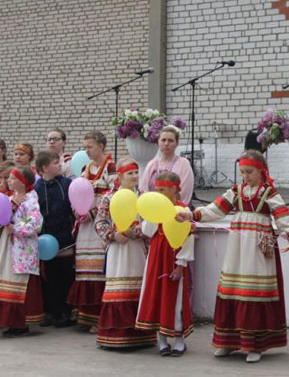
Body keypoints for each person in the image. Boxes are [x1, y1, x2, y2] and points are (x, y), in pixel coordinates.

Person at [178, 150, 289, 363]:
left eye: (249, 172)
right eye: (242, 172)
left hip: (258, 250)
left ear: (261, 171)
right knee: (233, 289)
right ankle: (228, 342)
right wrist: (191, 214)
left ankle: (255, 345)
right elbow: (215, 209)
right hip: (237, 249)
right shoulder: (236, 191)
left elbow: (282, 216)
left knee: (254, 291)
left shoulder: (269, 193)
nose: (245, 176)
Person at [0, 166, 44, 337]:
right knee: (5, 278)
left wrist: (16, 228)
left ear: (23, 182)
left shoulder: (30, 200)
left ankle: (20, 323)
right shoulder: (8, 198)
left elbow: (36, 223)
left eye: (13, 179)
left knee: (19, 283)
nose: (9, 181)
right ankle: (8, 320)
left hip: (22, 248)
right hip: (7, 246)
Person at [94, 158, 154, 349]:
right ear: (120, 176)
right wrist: (113, 235)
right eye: (130, 173)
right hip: (117, 249)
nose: (135, 176)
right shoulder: (108, 198)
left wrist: (135, 232)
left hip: (136, 249)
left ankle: (141, 335)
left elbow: (150, 222)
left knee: (137, 286)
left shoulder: (143, 198)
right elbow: (100, 223)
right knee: (117, 287)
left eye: (136, 172)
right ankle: (115, 335)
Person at [136, 171, 195, 356]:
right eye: (157, 189)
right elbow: (147, 231)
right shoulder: (156, 210)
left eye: (162, 190)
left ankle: (179, 339)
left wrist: (180, 264)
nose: (158, 193)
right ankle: (161, 339)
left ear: (174, 189)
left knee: (174, 297)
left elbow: (188, 239)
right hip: (156, 257)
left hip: (174, 257)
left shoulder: (183, 211)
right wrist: (153, 216)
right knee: (156, 294)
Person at [67, 130, 114, 331]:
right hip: (85, 225)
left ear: (101, 146)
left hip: (100, 223)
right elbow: (78, 192)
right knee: (84, 267)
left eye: (90, 146)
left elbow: (114, 193)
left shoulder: (110, 167)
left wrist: (94, 211)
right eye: (85, 147)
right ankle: (86, 317)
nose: (87, 150)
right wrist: (77, 211)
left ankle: (99, 318)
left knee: (97, 269)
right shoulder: (86, 168)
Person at [34, 150, 75, 328]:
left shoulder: (67, 184)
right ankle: (51, 311)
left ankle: (65, 313)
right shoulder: (36, 188)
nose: (60, 165)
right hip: (45, 240)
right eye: (55, 162)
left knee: (65, 275)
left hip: (65, 237)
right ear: (44, 168)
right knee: (48, 277)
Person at [138, 125, 194, 203]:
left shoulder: (183, 164)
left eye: (170, 140)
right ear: (158, 142)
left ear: (176, 143)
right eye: (163, 140)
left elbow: (185, 192)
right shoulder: (152, 164)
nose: (166, 143)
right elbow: (143, 189)